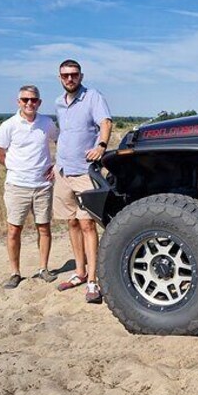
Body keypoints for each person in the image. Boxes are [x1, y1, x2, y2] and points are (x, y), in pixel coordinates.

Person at [53, 59, 112, 303]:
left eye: (74, 74)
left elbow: (105, 122)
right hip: (63, 171)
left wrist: (101, 145)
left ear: (81, 75)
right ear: (59, 78)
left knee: (88, 224)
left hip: (84, 172)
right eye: (65, 75)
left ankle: (93, 281)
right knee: (72, 223)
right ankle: (79, 272)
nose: (70, 79)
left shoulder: (92, 96)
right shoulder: (58, 103)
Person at [0, 85, 59, 289]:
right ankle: (15, 273)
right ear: (18, 101)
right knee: (14, 230)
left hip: (43, 186)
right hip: (17, 186)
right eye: (25, 99)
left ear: (39, 102)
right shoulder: (9, 125)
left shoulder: (47, 123)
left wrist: (56, 166)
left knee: (44, 228)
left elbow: (60, 143)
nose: (29, 103)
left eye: (34, 100)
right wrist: (16, 169)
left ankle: (43, 269)